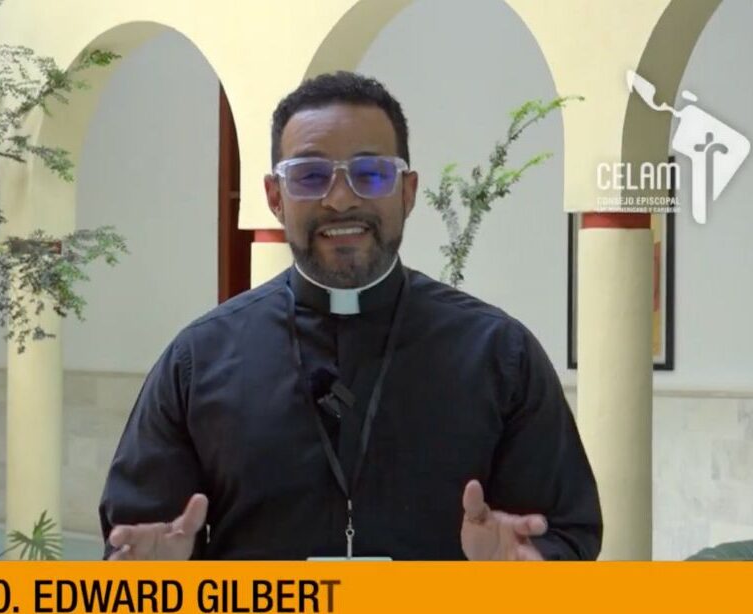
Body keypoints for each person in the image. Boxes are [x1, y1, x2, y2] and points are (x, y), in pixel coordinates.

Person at [99, 71, 602, 561]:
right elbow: (141, 537)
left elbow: (564, 531)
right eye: (310, 176)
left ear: (407, 191)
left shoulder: (498, 355)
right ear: (275, 198)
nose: (340, 199)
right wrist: (161, 574)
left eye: (371, 174)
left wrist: (528, 569)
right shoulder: (199, 361)